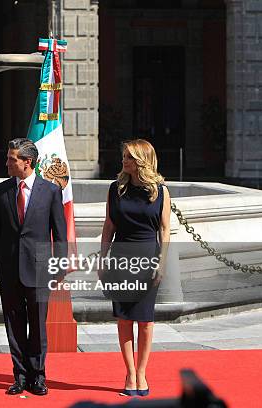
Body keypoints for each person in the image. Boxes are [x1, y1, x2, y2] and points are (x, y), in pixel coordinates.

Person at [0, 138, 67, 396]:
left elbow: (60, 233)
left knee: (38, 326)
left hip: (40, 270)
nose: (7, 162)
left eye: (12, 159)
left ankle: (38, 376)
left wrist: (60, 266)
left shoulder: (50, 191)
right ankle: (19, 376)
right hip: (8, 270)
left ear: (27, 162)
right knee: (14, 325)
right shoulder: (2, 190)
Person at [99, 139, 171, 398]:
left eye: (129, 157)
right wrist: (102, 259)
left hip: (148, 257)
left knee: (146, 321)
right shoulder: (115, 189)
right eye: (124, 157)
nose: (123, 161)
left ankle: (142, 372)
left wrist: (161, 264)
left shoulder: (160, 190)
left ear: (141, 160)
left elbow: (165, 230)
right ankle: (130, 373)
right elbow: (108, 226)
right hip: (121, 257)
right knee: (125, 318)